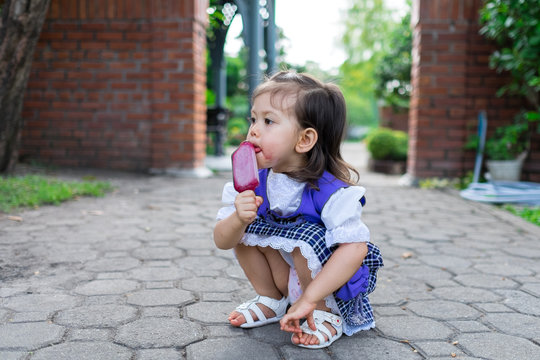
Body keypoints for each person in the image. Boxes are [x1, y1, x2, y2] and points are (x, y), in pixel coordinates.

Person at [213, 71, 383, 349]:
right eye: (253, 119)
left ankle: (326, 315)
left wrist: (310, 297)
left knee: (307, 237)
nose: (254, 130)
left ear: (304, 140)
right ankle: (272, 299)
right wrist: (237, 218)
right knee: (246, 226)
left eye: (268, 121)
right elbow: (222, 241)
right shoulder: (250, 182)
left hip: (326, 286)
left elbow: (355, 249)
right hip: (288, 280)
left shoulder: (331, 192)